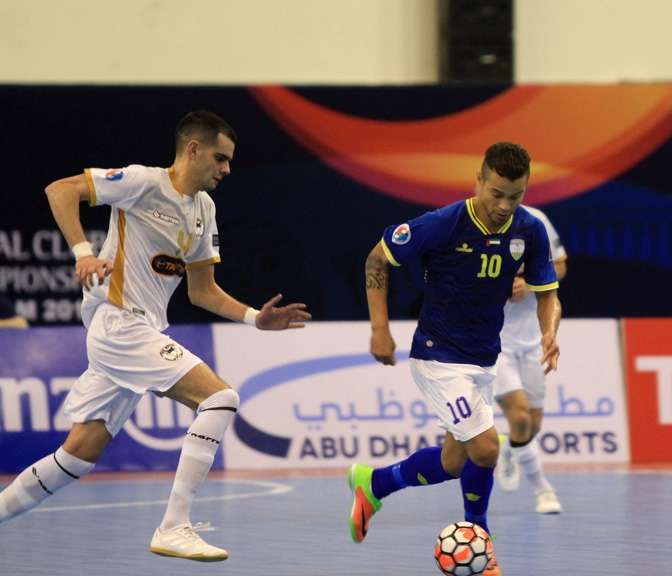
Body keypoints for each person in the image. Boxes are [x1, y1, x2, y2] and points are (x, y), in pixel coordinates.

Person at [0, 111, 311, 562]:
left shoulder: (204, 210)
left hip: (142, 329)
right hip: (117, 322)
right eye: (220, 158)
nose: (226, 169)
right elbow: (61, 190)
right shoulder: (143, 182)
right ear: (193, 149)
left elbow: (202, 292)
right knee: (220, 399)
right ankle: (174, 526)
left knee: (76, 456)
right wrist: (83, 253)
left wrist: (252, 319)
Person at [350, 142, 562, 576]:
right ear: (479, 181)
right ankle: (479, 539)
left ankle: (374, 483)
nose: (505, 205)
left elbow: (548, 293)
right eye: (497, 193)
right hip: (437, 356)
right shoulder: (444, 224)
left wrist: (548, 333)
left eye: (516, 195)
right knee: (486, 449)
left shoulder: (530, 230)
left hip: (484, 360)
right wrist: (379, 328)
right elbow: (377, 257)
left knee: (455, 461)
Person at [493, 205, 567, 514]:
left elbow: (560, 267)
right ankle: (543, 491)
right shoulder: (468, 226)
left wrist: (529, 279)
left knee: (530, 427)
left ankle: (511, 447)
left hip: (532, 338)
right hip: (493, 343)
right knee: (520, 417)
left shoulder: (535, 221)